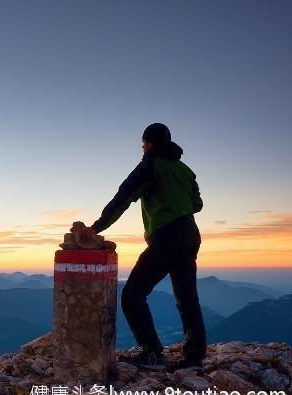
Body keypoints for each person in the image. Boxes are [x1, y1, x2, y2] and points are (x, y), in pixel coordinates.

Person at [79, 123, 206, 373]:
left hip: (167, 236)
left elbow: (123, 197)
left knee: (133, 295)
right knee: (187, 296)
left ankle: (153, 354)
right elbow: (197, 204)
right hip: (190, 235)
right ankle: (194, 359)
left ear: (149, 143)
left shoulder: (149, 164)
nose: (143, 148)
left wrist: (96, 228)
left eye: (143, 143)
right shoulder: (185, 170)